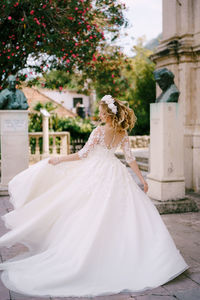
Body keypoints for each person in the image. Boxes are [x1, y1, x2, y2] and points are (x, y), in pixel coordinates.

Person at [0, 95, 189, 298]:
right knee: (120, 216)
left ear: (107, 114)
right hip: (116, 172)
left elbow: (82, 155)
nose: (98, 114)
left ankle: (91, 257)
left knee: (87, 212)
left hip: (97, 172)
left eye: (100, 111)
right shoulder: (122, 132)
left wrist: (60, 159)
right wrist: (142, 179)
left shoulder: (98, 131)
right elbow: (130, 158)